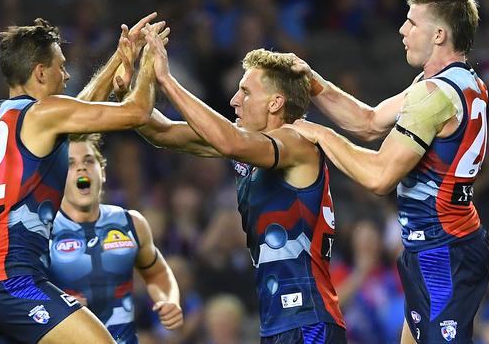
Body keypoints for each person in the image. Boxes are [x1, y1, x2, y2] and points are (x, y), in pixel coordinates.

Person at [287, 0, 489, 343]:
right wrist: (312, 83)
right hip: (435, 245)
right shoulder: (453, 83)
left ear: (439, 34)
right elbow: (369, 122)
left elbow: (380, 176)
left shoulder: (434, 96)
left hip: (442, 252)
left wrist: (321, 135)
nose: (402, 30)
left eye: (412, 23)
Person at [0, 14, 168, 344]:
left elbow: (80, 115)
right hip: (13, 278)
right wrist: (149, 61)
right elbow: (137, 112)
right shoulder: (42, 113)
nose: (67, 74)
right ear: (40, 72)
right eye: (61, 65)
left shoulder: (1, 118)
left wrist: (119, 57)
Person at [135, 29, 347, 343]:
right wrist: (135, 81)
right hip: (280, 322)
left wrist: (167, 79)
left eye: (245, 92)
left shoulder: (296, 141)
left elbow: (229, 141)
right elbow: (161, 132)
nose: (235, 100)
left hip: (308, 320)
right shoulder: (250, 147)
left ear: (275, 103)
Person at [47, 133, 183, 343]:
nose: (82, 168)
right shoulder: (42, 232)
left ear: (102, 172)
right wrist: (58, 306)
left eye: (89, 161)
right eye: (71, 164)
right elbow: (18, 296)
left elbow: (157, 273)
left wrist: (169, 300)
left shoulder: (131, 223)